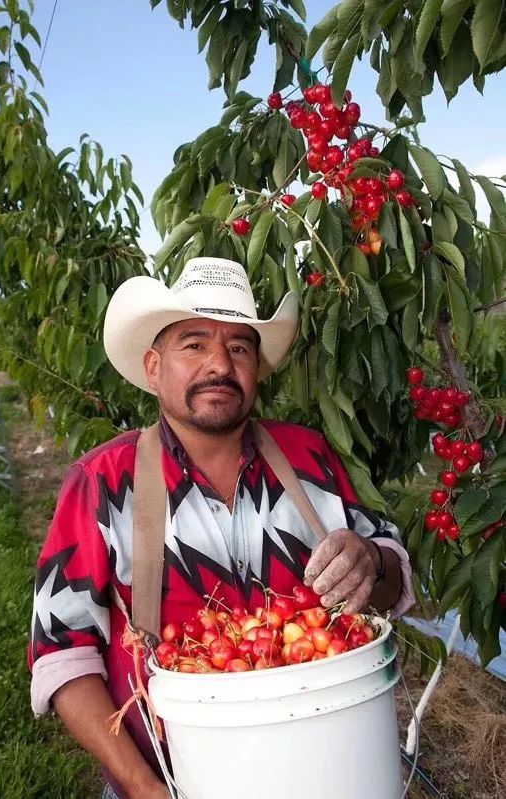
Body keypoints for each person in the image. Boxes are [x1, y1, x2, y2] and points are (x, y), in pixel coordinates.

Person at [29, 257, 414, 799]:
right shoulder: (104, 483)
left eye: (239, 348)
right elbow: (61, 652)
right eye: (194, 344)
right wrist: (144, 788)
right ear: (153, 367)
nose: (219, 364)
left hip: (322, 764)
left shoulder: (308, 458)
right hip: (175, 777)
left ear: (256, 368)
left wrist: (371, 560)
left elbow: (389, 577)